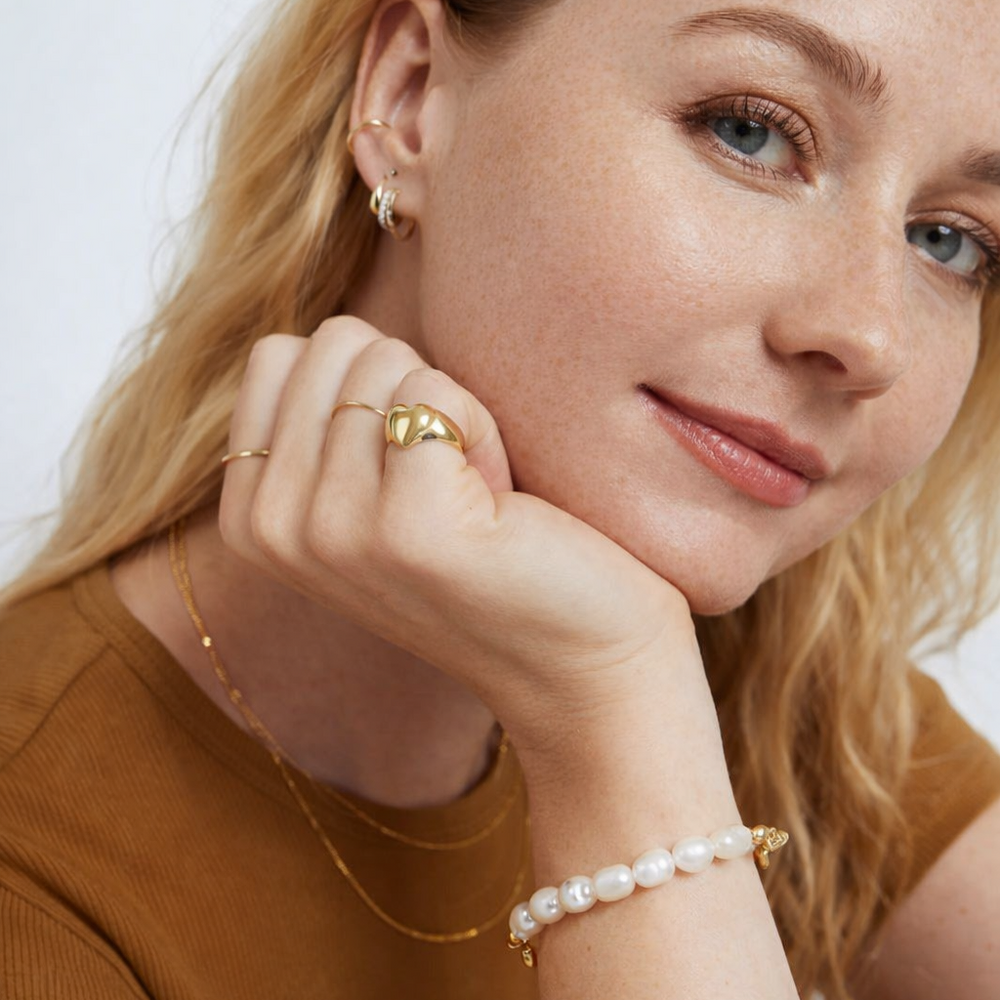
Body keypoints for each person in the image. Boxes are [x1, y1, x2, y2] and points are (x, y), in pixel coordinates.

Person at [2, 0, 1000, 996]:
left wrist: (616, 700)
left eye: (950, 241)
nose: (870, 338)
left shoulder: (785, 695)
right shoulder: (39, 858)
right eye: (750, 130)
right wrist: (606, 699)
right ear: (411, 99)